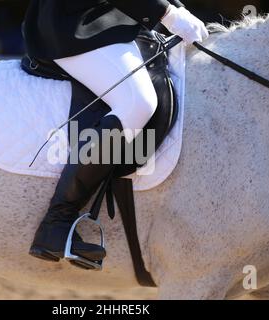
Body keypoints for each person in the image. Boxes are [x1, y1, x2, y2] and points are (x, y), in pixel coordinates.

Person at [23, 0, 208, 263]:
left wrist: (175, 7)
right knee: (138, 103)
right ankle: (57, 222)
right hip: (76, 23)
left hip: (119, 19)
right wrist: (166, 13)